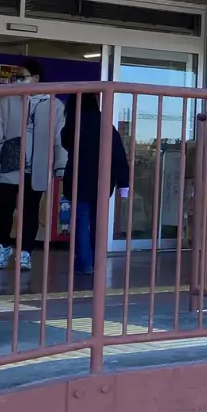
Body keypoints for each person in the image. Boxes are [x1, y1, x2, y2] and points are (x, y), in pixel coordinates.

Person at [0, 60, 67, 274]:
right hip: (9, 163)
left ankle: (25, 251)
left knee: (30, 210)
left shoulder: (54, 105)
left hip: (38, 165)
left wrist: (60, 165)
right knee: (5, 208)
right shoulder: (6, 101)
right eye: (15, 77)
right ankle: (4, 245)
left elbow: (59, 138)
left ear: (36, 79)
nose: (17, 80)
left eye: (22, 76)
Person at [60, 91, 130, 289]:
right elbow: (118, 155)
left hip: (79, 181)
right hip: (102, 183)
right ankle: (96, 260)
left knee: (81, 222)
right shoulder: (106, 125)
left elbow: (65, 142)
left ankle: (84, 263)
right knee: (97, 223)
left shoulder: (73, 125)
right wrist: (124, 183)